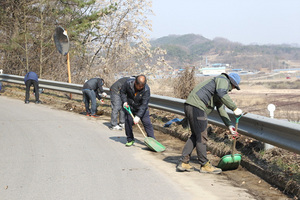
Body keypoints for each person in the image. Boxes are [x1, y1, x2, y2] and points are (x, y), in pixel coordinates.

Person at [176, 72, 243, 174]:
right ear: (232, 83)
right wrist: (234, 108)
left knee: (196, 135)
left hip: (191, 106)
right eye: (234, 87)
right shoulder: (223, 80)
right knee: (202, 136)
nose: (232, 89)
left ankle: (184, 162)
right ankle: (204, 164)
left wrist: (229, 126)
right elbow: (222, 93)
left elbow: (221, 110)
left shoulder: (218, 88)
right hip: (197, 107)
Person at [120, 75, 155, 147]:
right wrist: (124, 101)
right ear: (135, 82)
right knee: (128, 122)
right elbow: (122, 92)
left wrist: (138, 116)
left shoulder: (146, 89)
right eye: (139, 86)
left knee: (147, 123)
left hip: (141, 108)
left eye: (142, 86)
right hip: (130, 107)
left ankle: (152, 141)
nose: (140, 88)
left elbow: (144, 104)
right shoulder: (128, 83)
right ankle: (130, 139)